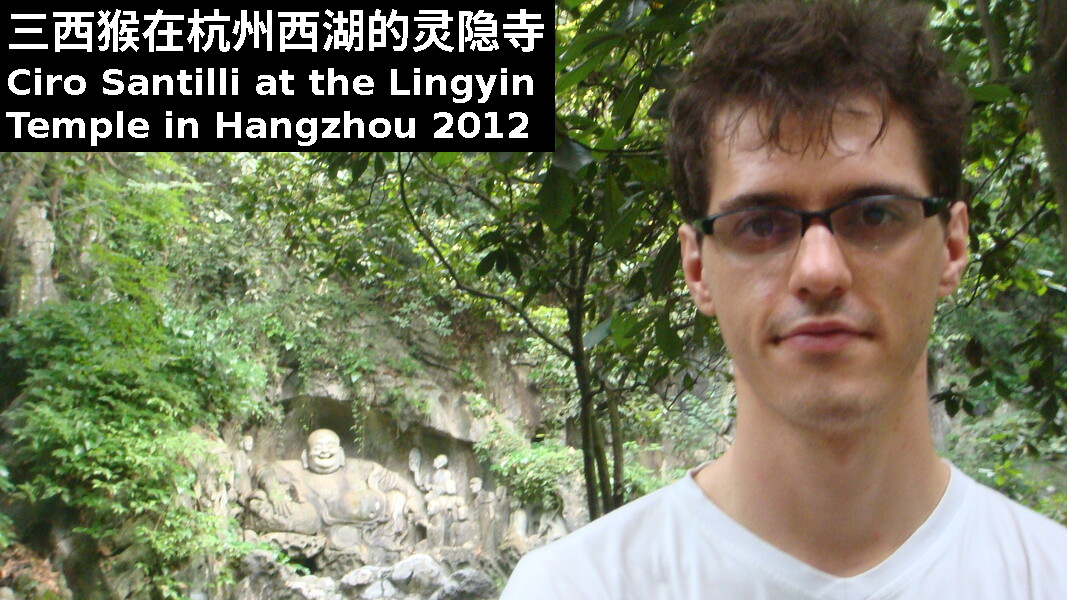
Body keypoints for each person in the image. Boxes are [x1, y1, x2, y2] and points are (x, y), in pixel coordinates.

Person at [501, 1, 1067, 598]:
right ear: (697, 267)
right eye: (761, 224)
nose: (820, 271)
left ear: (951, 246)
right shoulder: (575, 588)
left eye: (874, 214)